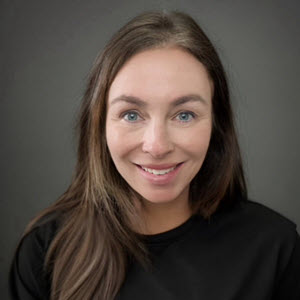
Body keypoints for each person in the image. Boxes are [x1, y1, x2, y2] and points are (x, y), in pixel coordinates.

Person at [9, 10, 300, 300]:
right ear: (100, 124)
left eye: (184, 115)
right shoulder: (46, 250)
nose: (157, 146)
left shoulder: (275, 248)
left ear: (216, 123)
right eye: (131, 114)